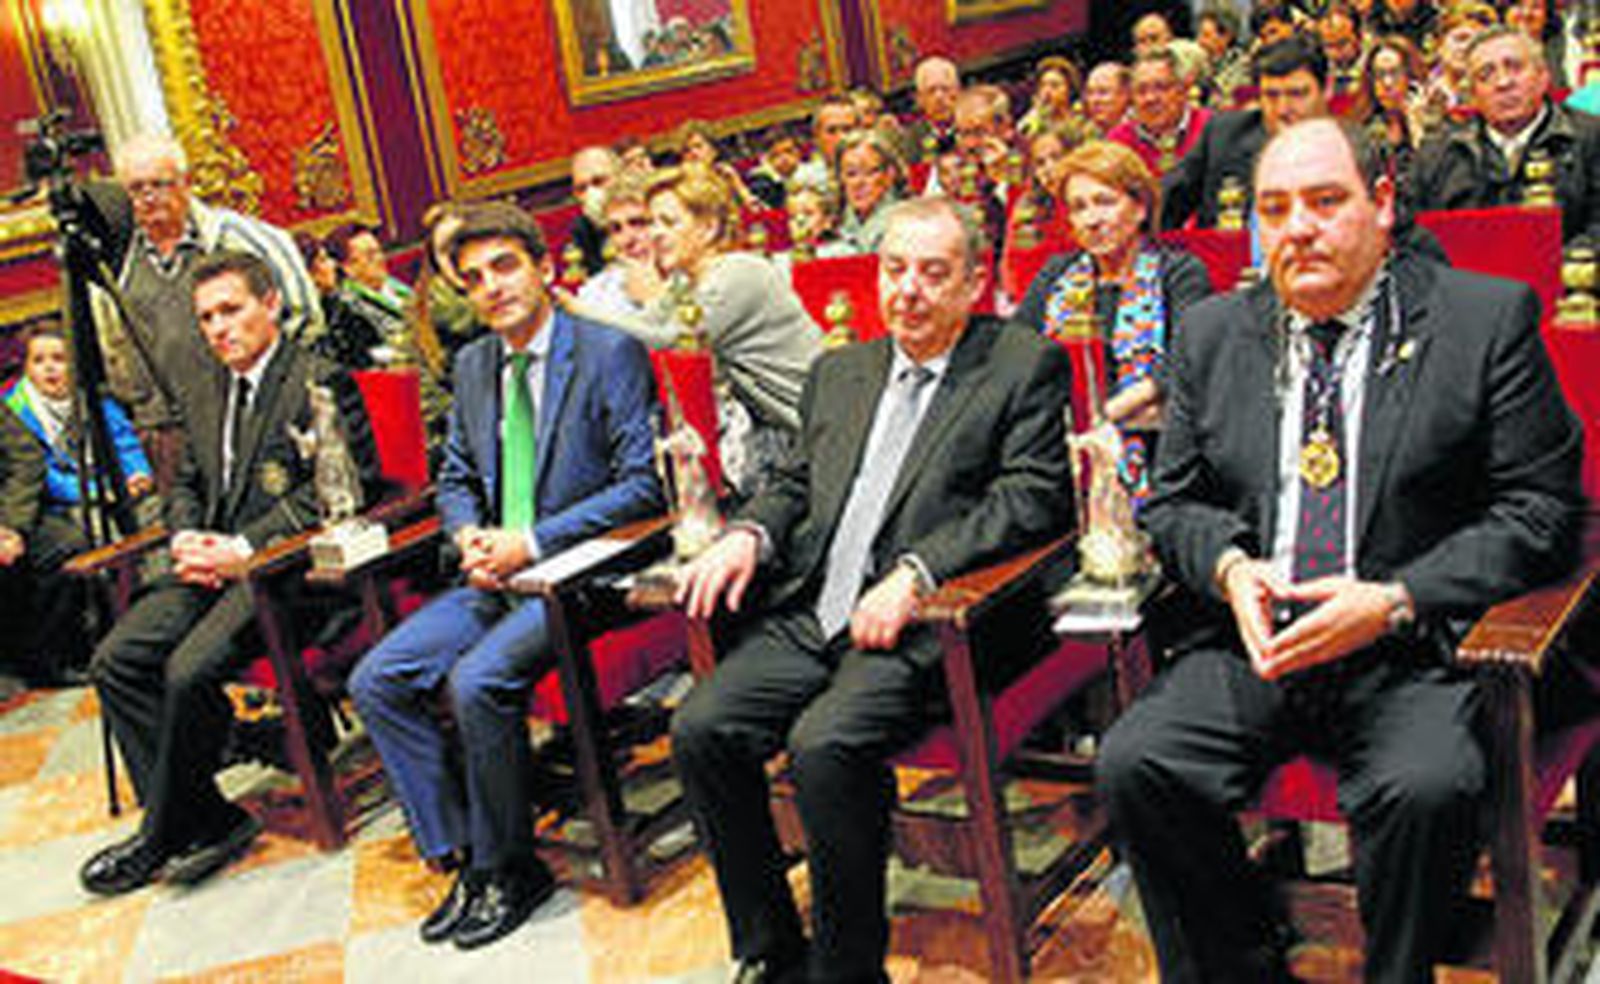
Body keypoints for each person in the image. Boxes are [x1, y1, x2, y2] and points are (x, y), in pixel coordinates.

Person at [1097, 118, 1584, 984]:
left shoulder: (1481, 320)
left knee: (1423, 788)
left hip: (1415, 642)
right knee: (1138, 761)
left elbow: (1542, 513)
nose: (1298, 229)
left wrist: (1395, 597)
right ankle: (1243, 963)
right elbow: (1171, 502)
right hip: (1262, 635)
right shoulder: (1213, 333)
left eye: (1326, 203)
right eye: (1276, 210)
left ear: (1383, 205)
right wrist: (1228, 567)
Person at [670, 197, 1075, 984]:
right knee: (702, 726)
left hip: (929, 620)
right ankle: (770, 950)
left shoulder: (1020, 363)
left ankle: (848, 968)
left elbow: (1031, 496)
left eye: (933, 273)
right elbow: (793, 482)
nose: (908, 291)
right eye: (894, 269)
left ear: (973, 282)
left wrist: (917, 572)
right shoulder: (840, 371)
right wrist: (747, 535)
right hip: (815, 607)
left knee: (822, 745)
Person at [349, 202, 663, 951]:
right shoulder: (474, 365)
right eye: (474, 278)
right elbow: (456, 473)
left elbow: (642, 487)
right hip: (495, 573)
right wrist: (467, 535)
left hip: (584, 573)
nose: (491, 287)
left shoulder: (606, 352)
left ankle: (511, 866)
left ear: (543, 267)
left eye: (505, 267)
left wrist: (531, 540)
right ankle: (467, 855)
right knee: (377, 679)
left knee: (478, 682)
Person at [80, 250, 379, 897]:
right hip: (211, 570)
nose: (219, 329)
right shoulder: (206, 386)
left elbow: (342, 488)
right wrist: (186, 532)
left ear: (270, 304)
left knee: (188, 671)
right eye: (207, 317)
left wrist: (245, 547)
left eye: (231, 310)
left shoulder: (319, 379)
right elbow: (186, 478)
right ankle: (209, 817)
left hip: (288, 579)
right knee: (117, 659)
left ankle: (159, 832)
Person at [93, 134, 319, 497]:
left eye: (159, 184)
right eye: (136, 189)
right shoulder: (117, 263)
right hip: (168, 431)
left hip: (254, 413)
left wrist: (271, 392)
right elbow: (112, 354)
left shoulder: (239, 237)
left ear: (186, 183)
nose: (148, 197)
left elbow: (303, 316)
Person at [1015, 140, 1212, 502]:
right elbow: (1015, 354)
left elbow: (1193, 359)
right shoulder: (1056, 274)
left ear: (1139, 207)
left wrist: (1114, 411)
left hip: (1158, 450)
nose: (1092, 219)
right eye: (1078, 207)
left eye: (1105, 202)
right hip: (1061, 450)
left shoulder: (1179, 272)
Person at [641, 166, 820, 499]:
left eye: (668, 222)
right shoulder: (685, 282)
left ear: (709, 227)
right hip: (768, 433)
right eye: (650, 223)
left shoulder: (738, 272)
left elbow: (662, 345)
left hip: (812, 434)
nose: (654, 234)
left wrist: (647, 292)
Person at [2, 327, 154, 683]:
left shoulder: (92, 399)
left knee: (140, 521)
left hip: (70, 496)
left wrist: (135, 474)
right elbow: (47, 473)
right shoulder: (20, 406)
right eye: (39, 361)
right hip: (70, 495)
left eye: (59, 360)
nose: (51, 369)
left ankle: (133, 624)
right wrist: (95, 491)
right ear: (25, 368)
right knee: (85, 528)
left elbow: (24, 462)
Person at [1410, 25, 1600, 243]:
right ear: (1472, 95)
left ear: (1543, 77)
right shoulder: (1438, 154)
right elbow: (1412, 236)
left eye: (1515, 68)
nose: (1503, 83)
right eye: (1486, 74)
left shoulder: (1591, 138)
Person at [1161, 34, 1331, 228]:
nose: (1283, 109)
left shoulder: (1350, 150)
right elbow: (1160, 206)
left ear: (1326, 91)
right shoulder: (1224, 136)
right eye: (1271, 96)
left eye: (1297, 94)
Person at [0, 400, 52, 688]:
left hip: (6, 512)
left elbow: (26, 458)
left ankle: (43, 660)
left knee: (68, 545)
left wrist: (11, 525)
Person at [569, 174, 664, 328]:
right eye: (616, 229)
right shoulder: (595, 296)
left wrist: (653, 301)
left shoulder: (696, 276)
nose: (628, 239)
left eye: (638, 223)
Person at [1109, 46, 1214, 178]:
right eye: (1141, 91)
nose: (1150, 98)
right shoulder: (1119, 142)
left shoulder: (1211, 128)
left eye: (1161, 88)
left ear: (1182, 90)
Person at [833, 130, 906, 255]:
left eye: (870, 172)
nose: (859, 183)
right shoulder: (834, 223)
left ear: (889, 175)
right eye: (851, 173)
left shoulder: (906, 222)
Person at [569, 145, 622, 276]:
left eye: (599, 182)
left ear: (619, 177)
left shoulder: (648, 210)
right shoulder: (583, 229)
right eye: (581, 189)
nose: (591, 193)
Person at [792, 95, 860, 191]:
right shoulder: (804, 181)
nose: (842, 138)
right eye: (831, 131)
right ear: (816, 137)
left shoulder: (879, 175)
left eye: (848, 130)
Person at [906, 56, 961, 162]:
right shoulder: (911, 139)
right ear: (919, 99)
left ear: (957, 92)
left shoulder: (970, 128)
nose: (939, 98)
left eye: (945, 89)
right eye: (931, 91)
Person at [1197, 6, 1252, 108]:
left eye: (1206, 35)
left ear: (1226, 37)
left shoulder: (1243, 69)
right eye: (1199, 34)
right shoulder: (1199, 63)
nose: (1199, 41)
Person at [1018, 56, 1085, 138]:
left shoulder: (1081, 117)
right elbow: (1021, 134)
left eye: (1054, 85)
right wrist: (1036, 111)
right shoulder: (1036, 120)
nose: (1047, 91)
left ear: (1070, 89)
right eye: (1043, 85)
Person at [1084, 61, 1133, 137]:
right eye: (1090, 93)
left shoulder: (1138, 134)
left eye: (1103, 92)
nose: (1095, 100)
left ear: (1124, 95)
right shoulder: (1085, 134)